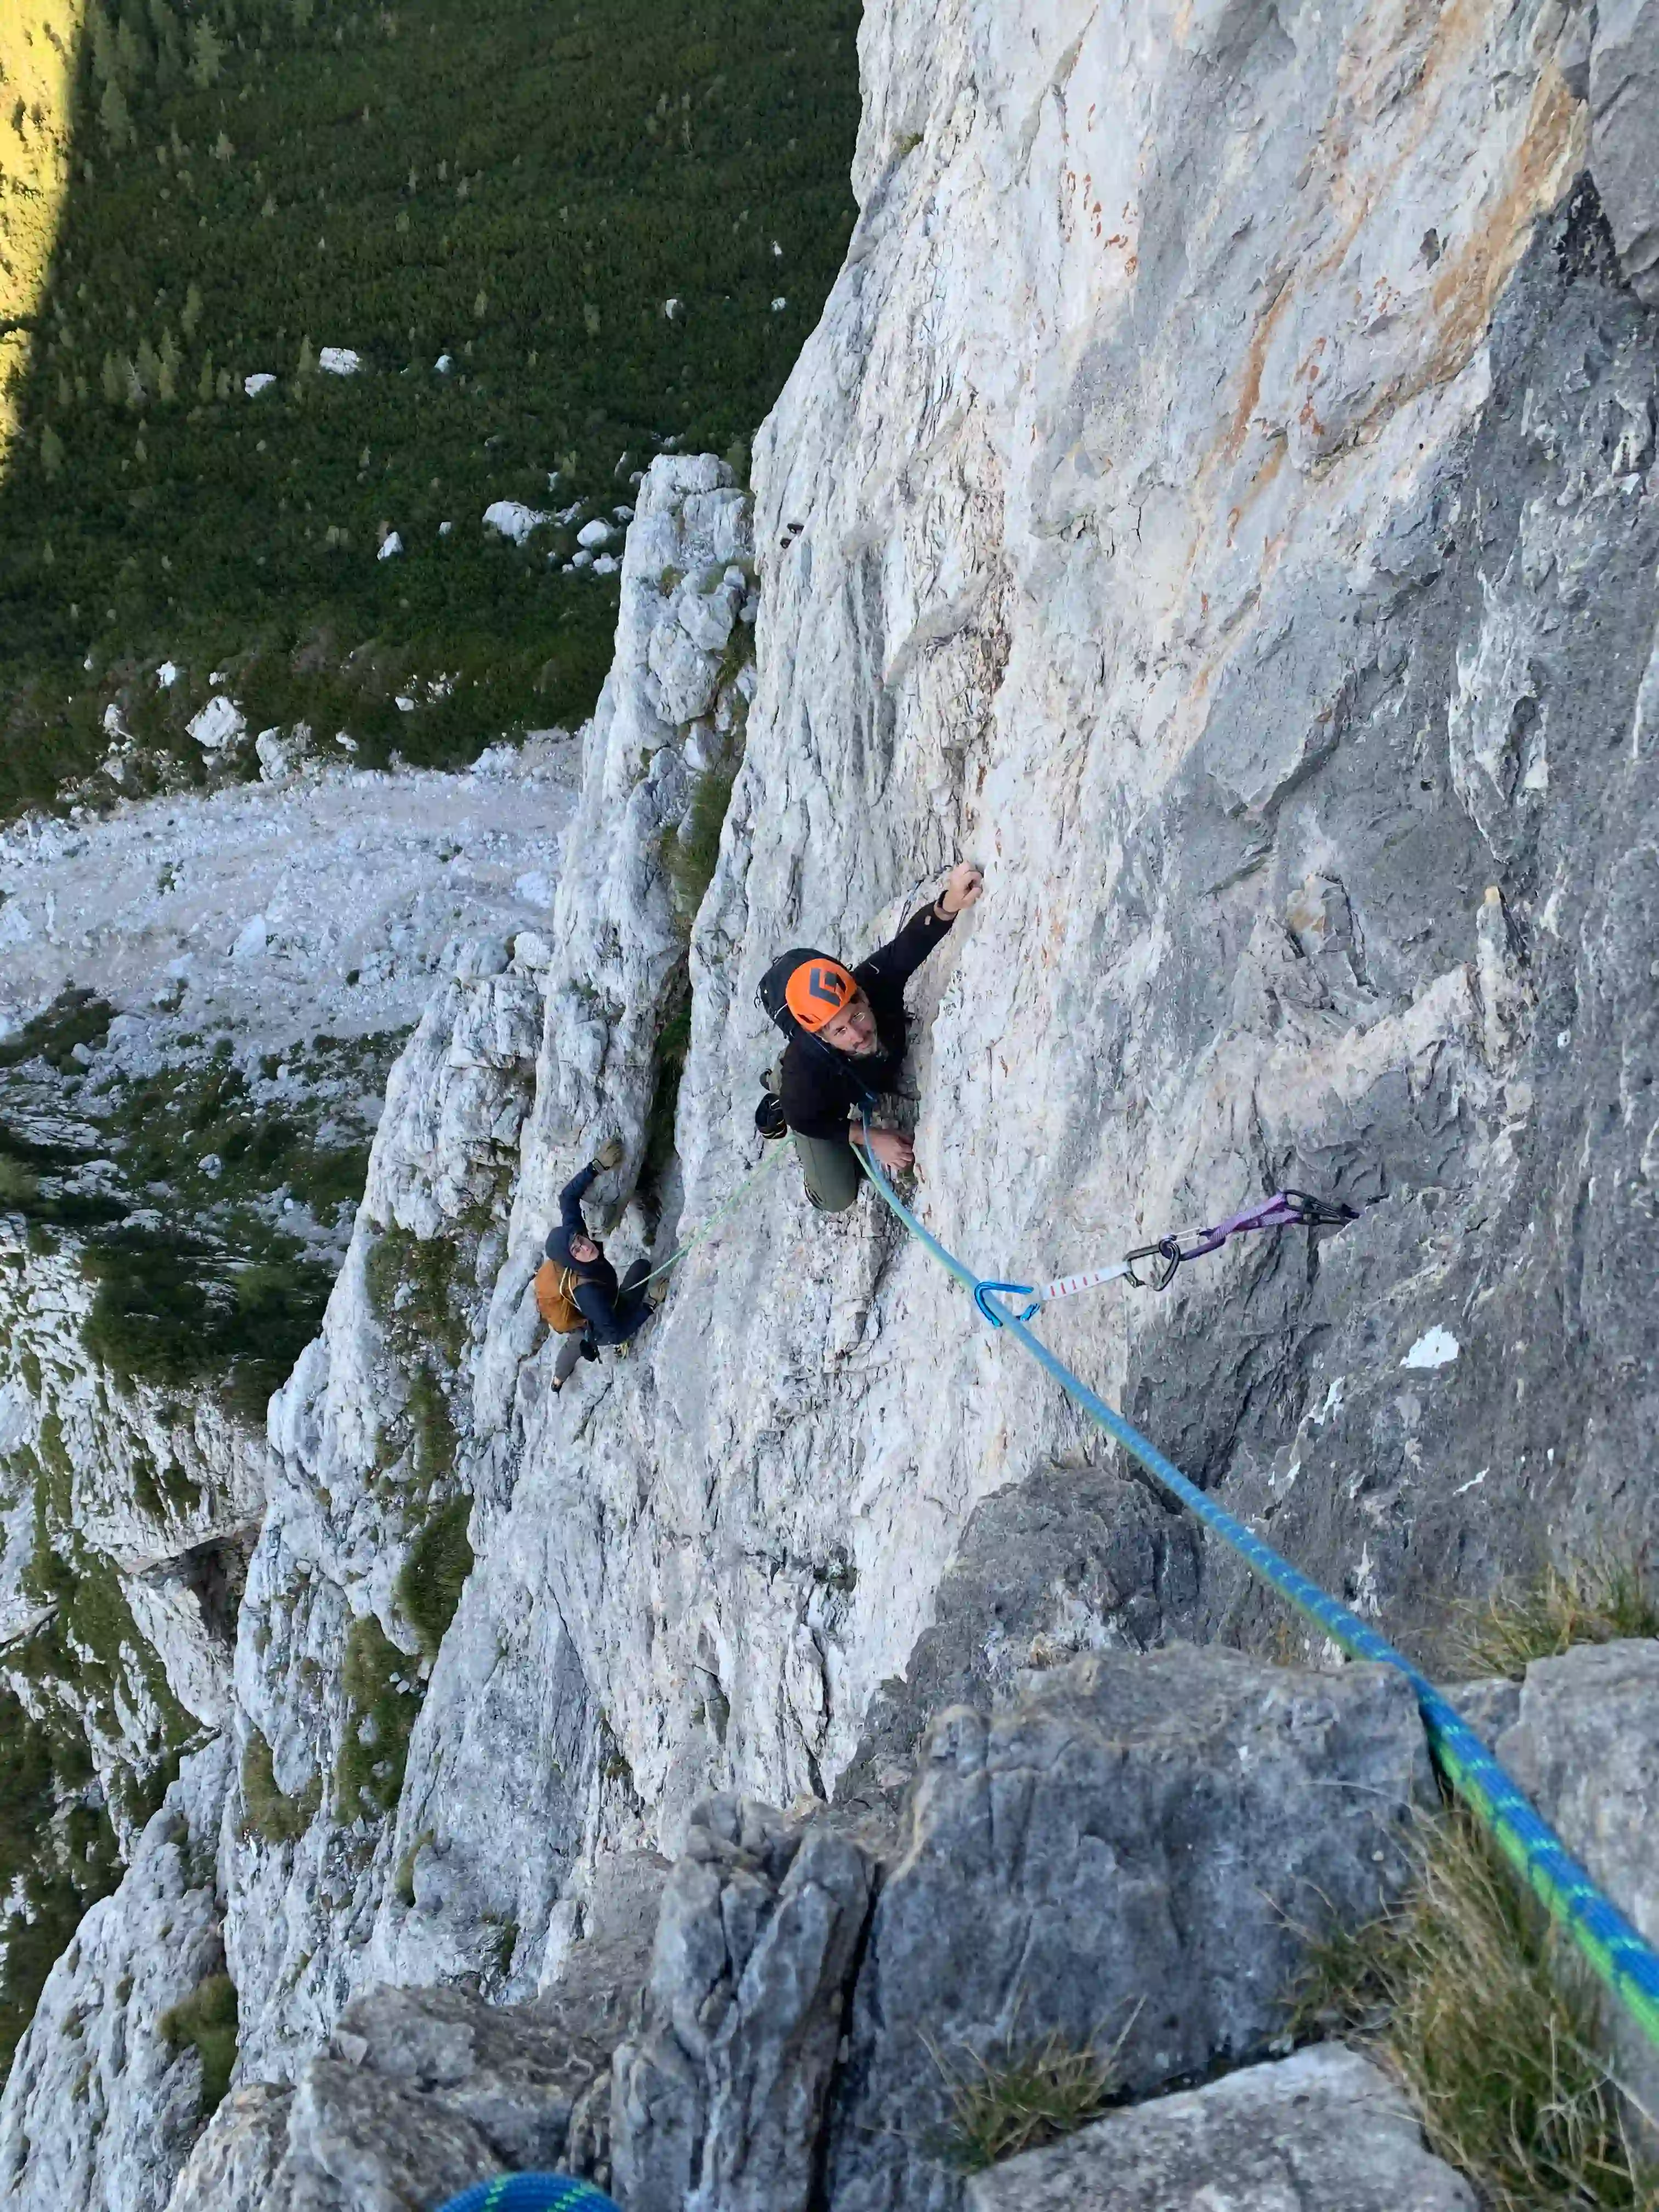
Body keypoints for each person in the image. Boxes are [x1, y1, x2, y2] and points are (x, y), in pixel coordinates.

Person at [764, 861, 983, 1212]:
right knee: (837, 1198)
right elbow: (805, 1120)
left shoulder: (873, 984)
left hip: (834, 1075)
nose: (857, 1034)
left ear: (863, 996)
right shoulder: (807, 1071)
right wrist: (871, 1137)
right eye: (839, 1031)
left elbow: (908, 946)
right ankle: (777, 1080)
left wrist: (949, 903)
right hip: (812, 1101)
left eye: (857, 1016)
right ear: (822, 1036)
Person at [544, 1138, 661, 1390]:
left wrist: (596, 1167)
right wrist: (650, 1305)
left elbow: (567, 1198)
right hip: (601, 1322)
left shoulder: (574, 1238)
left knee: (641, 1267)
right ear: (569, 1257)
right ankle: (557, 1380)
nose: (585, 1246)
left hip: (601, 1303)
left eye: (580, 1240)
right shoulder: (588, 1293)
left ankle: (558, 1376)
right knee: (581, 1341)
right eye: (576, 1249)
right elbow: (615, 1332)